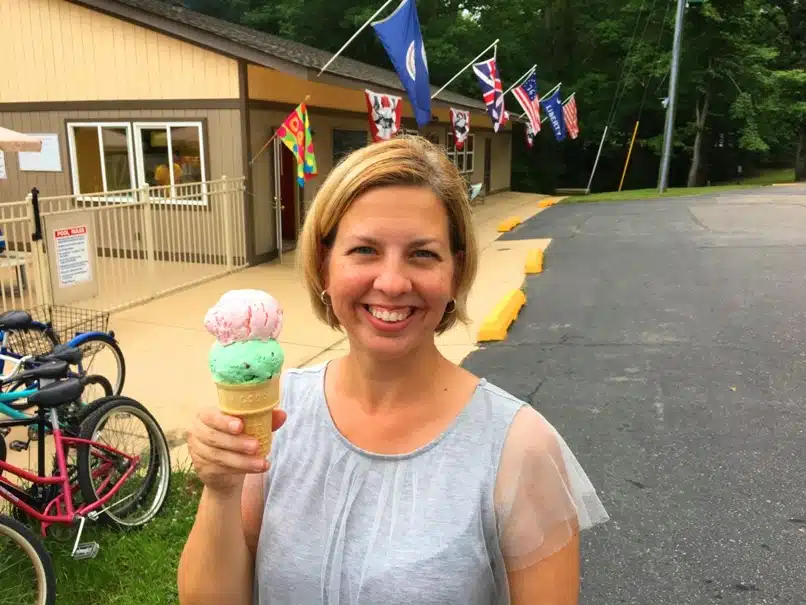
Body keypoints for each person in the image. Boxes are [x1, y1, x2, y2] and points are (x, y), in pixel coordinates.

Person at [178, 136, 609, 605]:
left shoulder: (519, 447)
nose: (391, 282)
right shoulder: (280, 418)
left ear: (454, 272)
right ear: (325, 265)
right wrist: (221, 492)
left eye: (422, 254)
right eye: (364, 250)